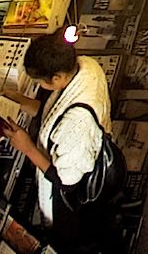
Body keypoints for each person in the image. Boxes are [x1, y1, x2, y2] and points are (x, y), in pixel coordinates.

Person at [6, 30, 115, 254]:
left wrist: (27, 147)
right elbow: (55, 111)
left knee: (68, 239)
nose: (39, 86)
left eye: (39, 82)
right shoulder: (86, 66)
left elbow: (66, 181)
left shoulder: (77, 124)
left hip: (71, 199)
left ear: (56, 78)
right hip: (86, 148)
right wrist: (21, 101)